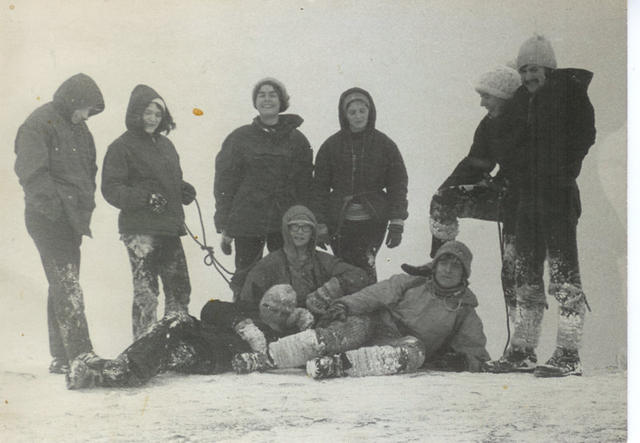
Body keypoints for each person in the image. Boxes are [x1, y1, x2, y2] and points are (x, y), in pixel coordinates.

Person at [484, 35, 596, 377]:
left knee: (564, 277)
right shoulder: (521, 101)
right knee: (526, 277)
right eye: (525, 71)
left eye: (535, 69)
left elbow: (585, 135)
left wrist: (564, 169)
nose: (530, 76)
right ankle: (523, 350)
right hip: (527, 199)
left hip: (558, 197)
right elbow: (508, 141)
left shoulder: (570, 93)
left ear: (548, 67)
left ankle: (568, 352)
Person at [235, 241, 491, 379]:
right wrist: (345, 304)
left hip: (404, 342)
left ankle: (337, 366)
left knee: (415, 352)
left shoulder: (464, 309)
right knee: (351, 327)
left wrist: (463, 360)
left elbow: (476, 351)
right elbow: (374, 295)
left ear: (464, 274)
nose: (447, 270)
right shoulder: (410, 282)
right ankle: (266, 357)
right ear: (434, 267)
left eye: (455, 266)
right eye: (443, 263)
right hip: (377, 324)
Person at [14, 73, 105, 374]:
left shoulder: (81, 130)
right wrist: (55, 210)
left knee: (63, 283)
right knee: (67, 283)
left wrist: (83, 208)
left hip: (71, 219)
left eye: (91, 111)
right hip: (48, 217)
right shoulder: (38, 123)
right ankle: (81, 352)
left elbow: (89, 171)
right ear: (72, 100)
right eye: (85, 108)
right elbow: (32, 173)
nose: (86, 116)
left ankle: (62, 356)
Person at [427, 66, 525, 332]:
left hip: (528, 201)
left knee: (514, 267)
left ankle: (521, 343)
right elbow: (476, 162)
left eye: (487, 96)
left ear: (504, 96)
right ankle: (439, 262)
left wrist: (507, 180)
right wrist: (444, 191)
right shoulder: (489, 124)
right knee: (443, 200)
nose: (482, 102)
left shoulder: (527, 120)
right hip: (505, 194)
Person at [65, 286, 316, 389]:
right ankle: (116, 369)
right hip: (200, 332)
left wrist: (300, 323)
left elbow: (295, 352)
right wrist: (243, 324)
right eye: (268, 305)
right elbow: (211, 308)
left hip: (213, 356)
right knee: (176, 317)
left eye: (280, 311)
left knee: (167, 356)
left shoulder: (283, 335)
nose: (270, 311)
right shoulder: (247, 311)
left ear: (287, 314)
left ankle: (102, 371)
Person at [102, 84, 197, 340]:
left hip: (169, 227)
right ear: (135, 114)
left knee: (179, 288)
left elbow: (168, 181)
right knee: (147, 292)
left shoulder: (166, 146)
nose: (153, 118)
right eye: (147, 112)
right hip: (140, 230)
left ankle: (174, 345)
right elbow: (111, 188)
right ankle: (144, 348)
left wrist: (182, 190)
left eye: (157, 113)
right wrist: (145, 199)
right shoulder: (121, 146)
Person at [214, 77, 313, 294]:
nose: (267, 99)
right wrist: (224, 221)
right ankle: (241, 319)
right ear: (255, 102)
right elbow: (225, 182)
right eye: (261, 95)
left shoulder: (298, 140)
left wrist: (306, 220)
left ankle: (283, 324)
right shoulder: (239, 138)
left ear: (282, 101)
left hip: (285, 220)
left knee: (286, 275)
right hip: (247, 219)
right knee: (246, 276)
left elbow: (305, 184)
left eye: (272, 94)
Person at [312, 87, 408, 283]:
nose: (358, 116)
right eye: (352, 112)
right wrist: (320, 222)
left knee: (366, 264)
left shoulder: (385, 145)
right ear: (344, 115)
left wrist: (397, 221)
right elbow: (319, 187)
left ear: (370, 111)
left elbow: (397, 183)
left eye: (362, 111)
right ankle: (343, 309)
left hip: (373, 219)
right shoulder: (331, 146)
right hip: (339, 221)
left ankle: (366, 307)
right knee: (342, 267)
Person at [237, 205, 370, 316]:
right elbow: (247, 301)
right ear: (286, 230)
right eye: (294, 227)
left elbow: (359, 275)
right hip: (282, 324)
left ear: (312, 232)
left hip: (317, 320)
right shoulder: (269, 264)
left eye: (306, 227)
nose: (300, 232)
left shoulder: (321, 260)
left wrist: (329, 290)